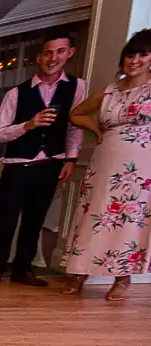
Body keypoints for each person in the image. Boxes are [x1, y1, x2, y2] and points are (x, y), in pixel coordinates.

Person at [0, 32, 88, 289]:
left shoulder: (78, 87)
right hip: (17, 165)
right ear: (39, 57)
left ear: (69, 53)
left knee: (34, 221)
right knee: (7, 220)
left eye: (59, 51)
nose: (53, 58)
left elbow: (75, 128)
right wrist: (28, 125)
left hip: (51, 164)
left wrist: (71, 159)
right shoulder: (16, 94)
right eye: (48, 53)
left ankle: (22, 269)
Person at [62, 29, 151, 300]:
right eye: (130, 55)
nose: (134, 60)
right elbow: (76, 114)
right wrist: (99, 131)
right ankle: (80, 271)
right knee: (95, 215)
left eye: (142, 55)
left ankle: (122, 277)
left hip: (143, 166)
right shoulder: (110, 91)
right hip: (106, 161)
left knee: (132, 220)